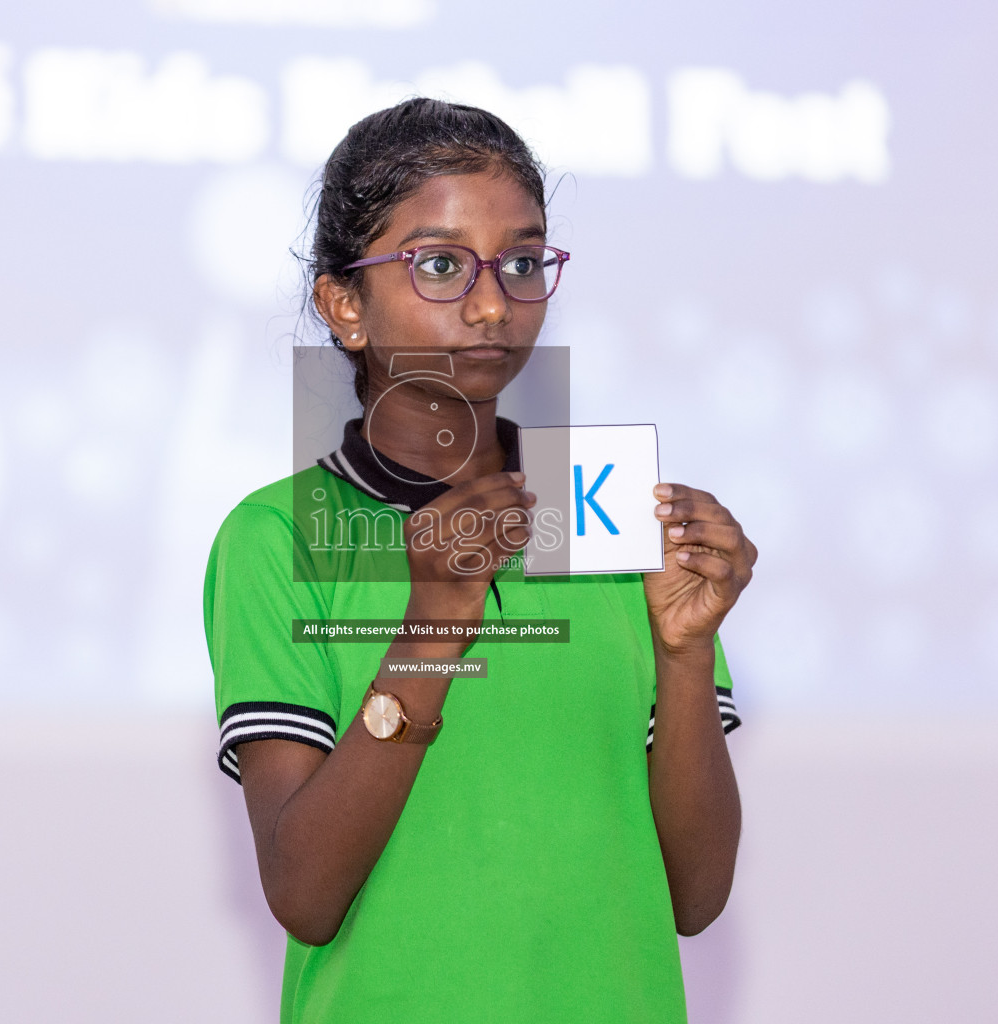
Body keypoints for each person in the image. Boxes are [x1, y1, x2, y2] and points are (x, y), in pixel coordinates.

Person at [203, 98, 756, 1023]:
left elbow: (695, 898)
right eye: (440, 264)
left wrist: (686, 655)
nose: (494, 301)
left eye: (523, 261)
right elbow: (303, 893)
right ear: (344, 305)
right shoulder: (281, 535)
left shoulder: (608, 516)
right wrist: (428, 630)